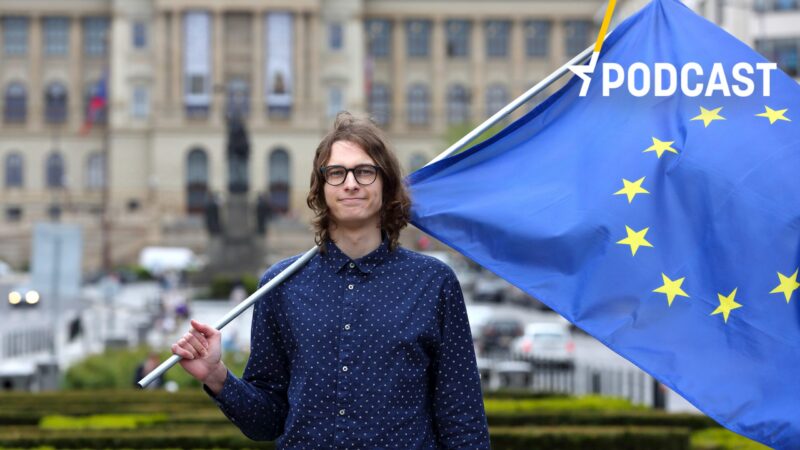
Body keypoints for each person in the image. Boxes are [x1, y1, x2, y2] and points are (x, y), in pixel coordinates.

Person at [171, 112, 490, 449]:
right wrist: (217, 376)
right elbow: (267, 422)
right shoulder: (281, 285)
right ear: (321, 189)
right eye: (337, 173)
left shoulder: (433, 283)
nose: (350, 183)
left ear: (386, 184)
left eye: (364, 171)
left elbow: (463, 419)